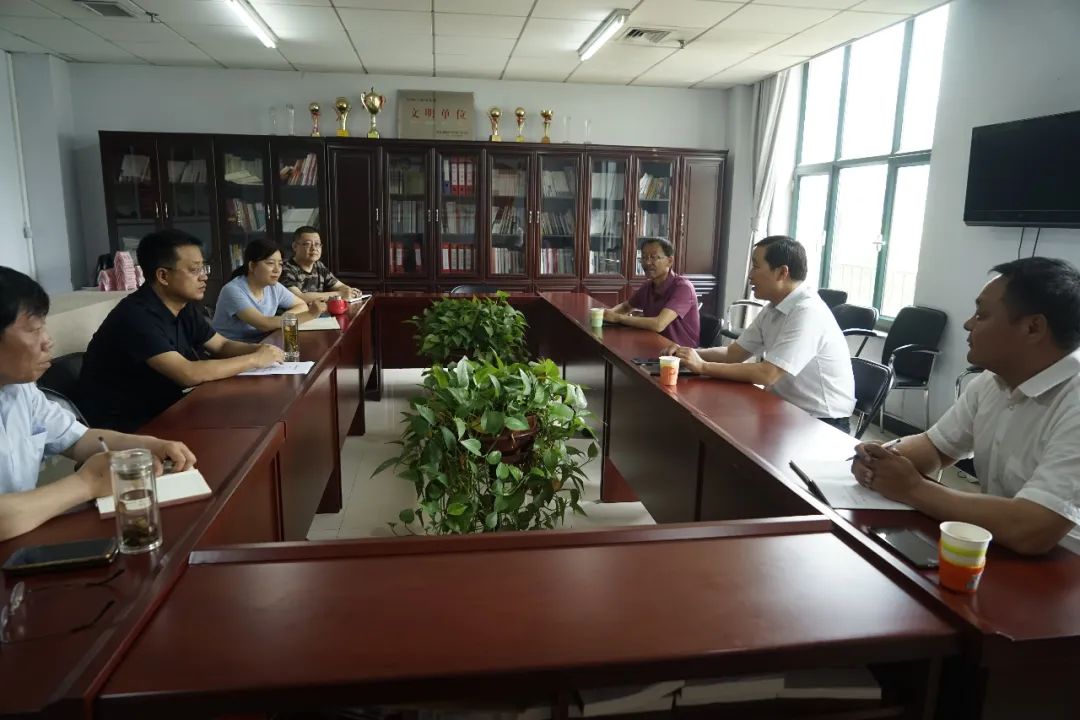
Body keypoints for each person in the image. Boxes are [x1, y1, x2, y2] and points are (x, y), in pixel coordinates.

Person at [852, 257, 1080, 556]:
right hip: (997, 549)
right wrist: (879, 460)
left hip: (1062, 568)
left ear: (1033, 327)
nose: (968, 324)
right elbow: (935, 448)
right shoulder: (993, 380)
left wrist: (913, 488)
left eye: (982, 315)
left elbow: (1031, 528)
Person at [0, 267, 196, 541]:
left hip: (24, 540)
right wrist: (87, 483)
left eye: (44, 326)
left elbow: (78, 439)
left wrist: (148, 446)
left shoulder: (20, 390)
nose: (47, 341)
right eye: (34, 330)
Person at [79, 230, 285, 432]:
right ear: (163, 276)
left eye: (204, 268)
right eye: (194, 270)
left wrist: (261, 350)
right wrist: (255, 359)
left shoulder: (182, 306)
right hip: (127, 428)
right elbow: (187, 373)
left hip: (167, 409)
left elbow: (221, 345)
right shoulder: (135, 316)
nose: (203, 277)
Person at [665, 236, 855, 431]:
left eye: (756, 266)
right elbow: (733, 353)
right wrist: (686, 353)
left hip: (822, 422)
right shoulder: (774, 307)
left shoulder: (807, 312)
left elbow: (767, 374)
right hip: (785, 408)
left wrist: (703, 366)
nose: (750, 275)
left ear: (782, 272)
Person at [213, 239, 326, 342]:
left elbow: (301, 305)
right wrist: (311, 314)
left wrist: (284, 319)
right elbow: (264, 324)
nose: (277, 270)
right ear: (252, 266)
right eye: (270, 263)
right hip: (230, 351)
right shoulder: (233, 290)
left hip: (264, 344)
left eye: (280, 264)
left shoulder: (274, 287)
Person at [604, 238, 700, 347]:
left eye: (653, 257)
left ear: (670, 261)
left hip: (679, 352)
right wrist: (607, 314)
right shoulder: (648, 286)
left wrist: (618, 318)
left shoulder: (683, 288)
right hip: (653, 343)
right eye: (644, 257)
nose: (647, 262)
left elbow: (659, 324)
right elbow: (626, 306)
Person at [282, 227, 360, 303]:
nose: (314, 248)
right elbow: (299, 298)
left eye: (317, 244)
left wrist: (348, 290)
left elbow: (339, 286)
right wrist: (339, 294)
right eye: (308, 244)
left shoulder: (319, 266)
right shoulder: (285, 269)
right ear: (295, 246)